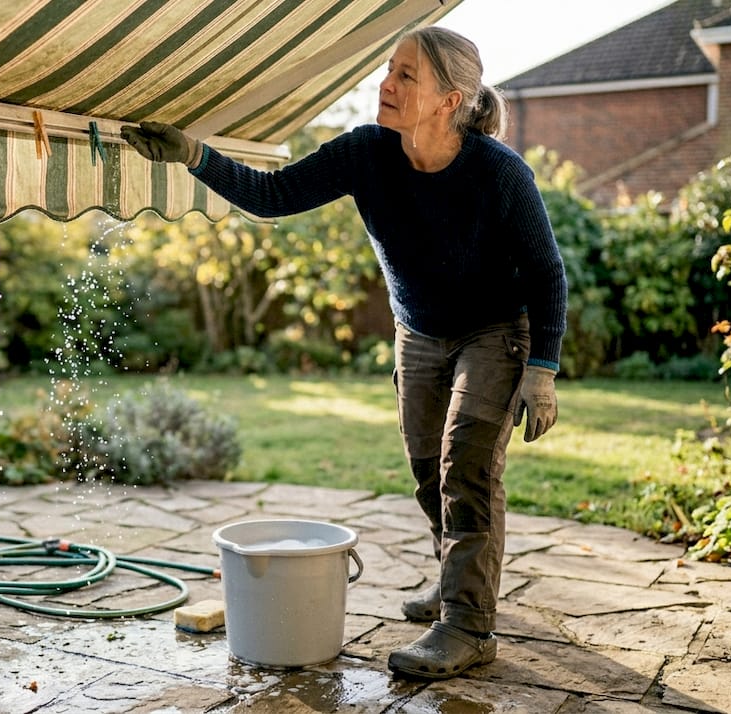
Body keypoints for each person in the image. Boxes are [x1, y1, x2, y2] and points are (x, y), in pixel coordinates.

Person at [122, 26, 566, 680]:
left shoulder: (500, 174)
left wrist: (543, 371)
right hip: (419, 331)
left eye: (406, 76)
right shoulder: (365, 152)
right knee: (425, 466)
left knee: (465, 467)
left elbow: (546, 272)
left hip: (496, 331)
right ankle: (456, 583)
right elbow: (272, 197)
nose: (385, 85)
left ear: (452, 99)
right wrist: (194, 153)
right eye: (389, 70)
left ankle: (468, 625)